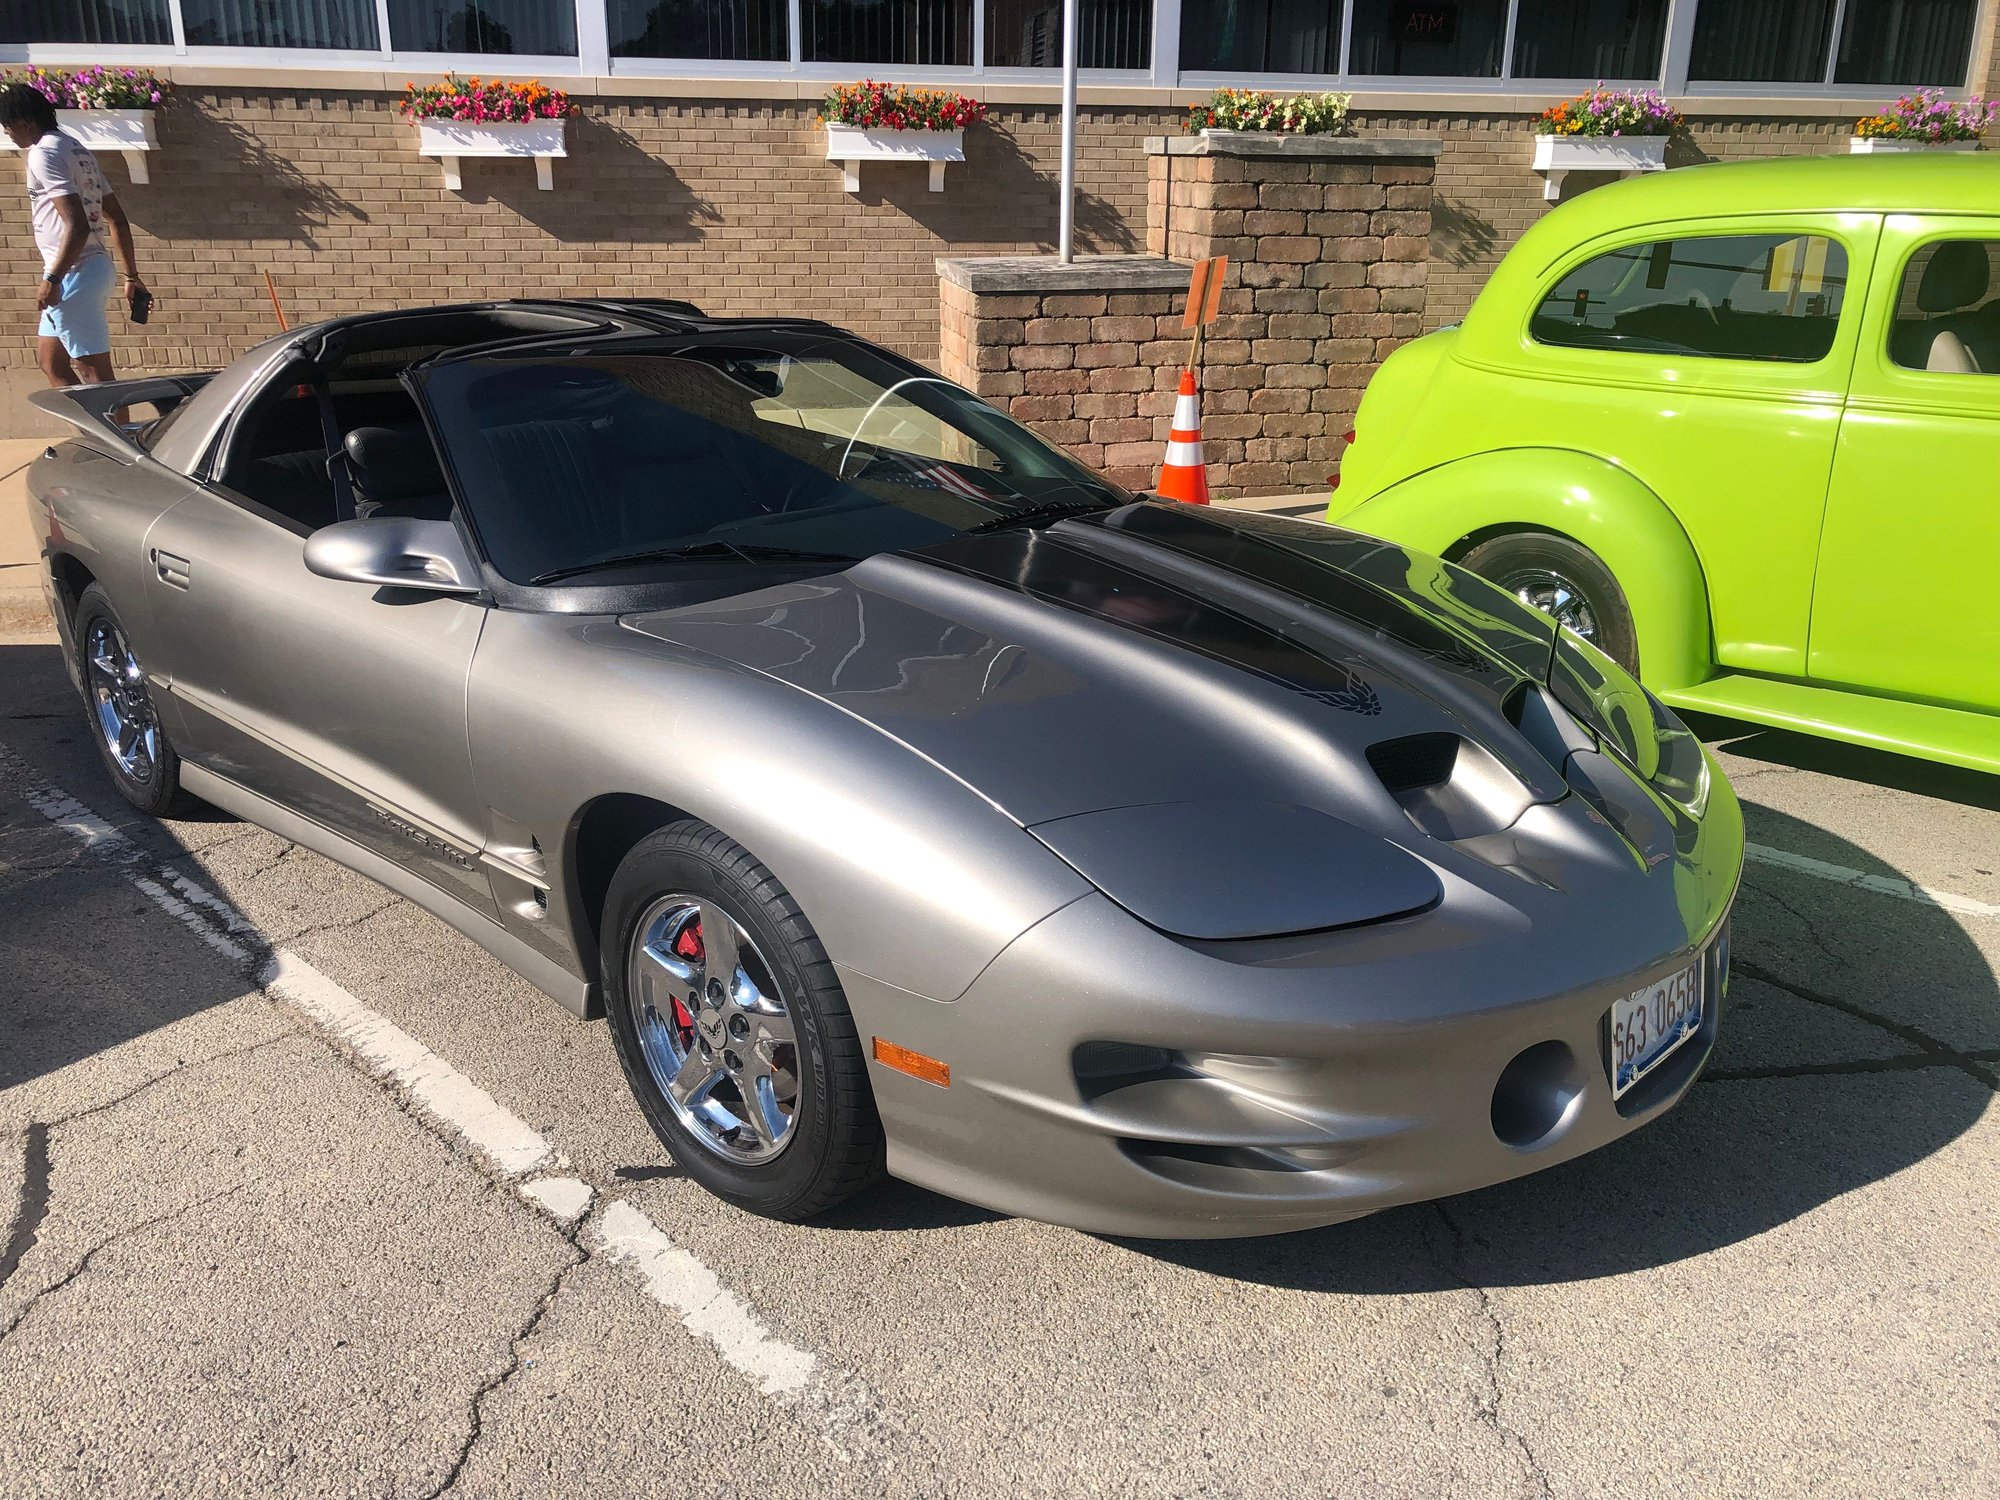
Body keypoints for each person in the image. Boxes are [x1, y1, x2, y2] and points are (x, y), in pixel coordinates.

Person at [0, 82, 149, 391]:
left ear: (26, 122)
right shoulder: (77, 149)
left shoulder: (44, 154)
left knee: (94, 372)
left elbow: (77, 225)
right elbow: (117, 219)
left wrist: (52, 279)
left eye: (7, 125)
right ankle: (91, 423)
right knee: (51, 362)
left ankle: (111, 425)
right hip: (85, 269)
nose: (6, 132)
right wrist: (131, 276)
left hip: (73, 273)